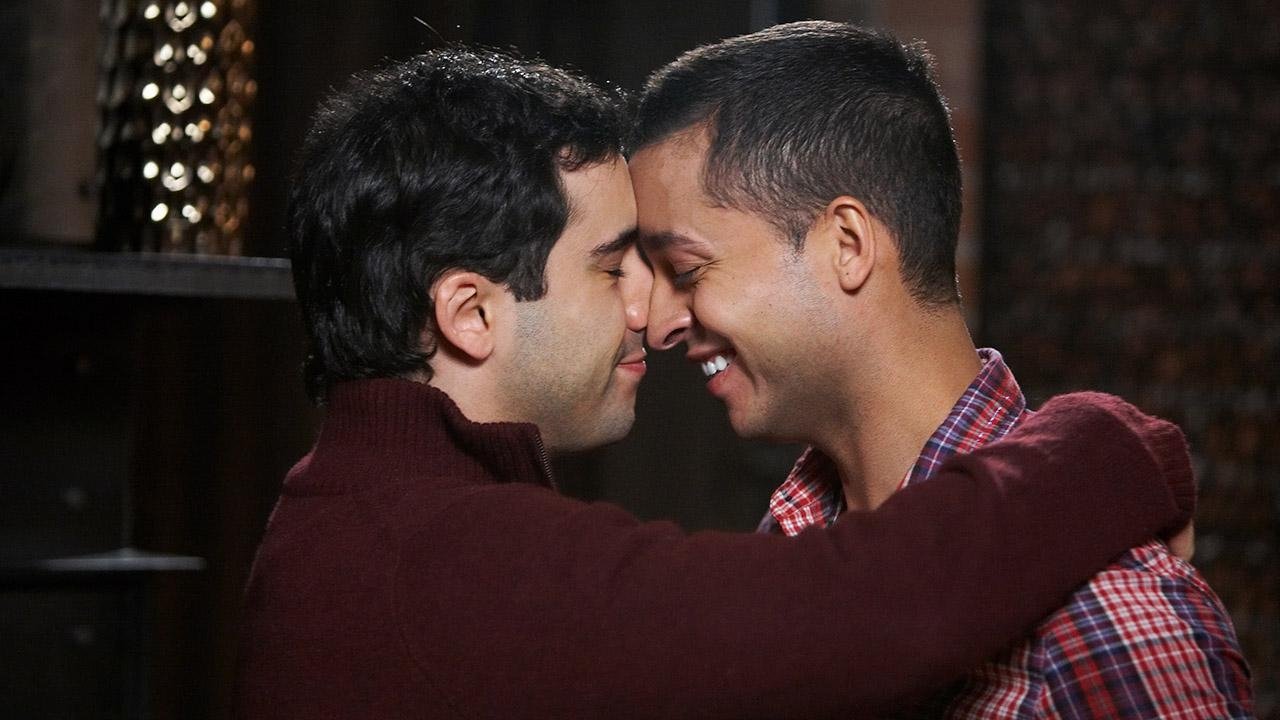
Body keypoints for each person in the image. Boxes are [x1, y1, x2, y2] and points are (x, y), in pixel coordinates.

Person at [234, 47, 1196, 719]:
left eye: (677, 267)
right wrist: (1109, 448)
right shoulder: (437, 556)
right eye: (614, 267)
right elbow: (859, 620)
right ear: (470, 313)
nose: (648, 314)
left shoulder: (357, 521)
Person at [630, 21, 1252, 718]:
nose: (656, 323)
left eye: (685, 269)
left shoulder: (1110, 627)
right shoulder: (795, 546)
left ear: (847, 245)